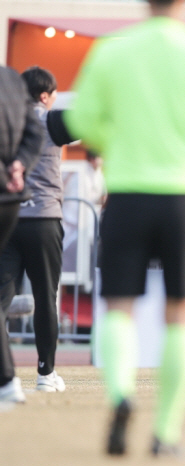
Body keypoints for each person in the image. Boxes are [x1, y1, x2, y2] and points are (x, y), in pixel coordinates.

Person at [65, 0, 185, 456]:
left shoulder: (111, 51)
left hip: (125, 191)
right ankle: (165, 431)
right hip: (184, 193)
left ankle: (121, 395)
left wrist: (122, 142)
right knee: (176, 314)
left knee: (119, 308)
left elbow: (81, 121)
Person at [1, 66, 73, 395]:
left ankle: (5, 377)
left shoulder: (7, 118)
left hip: (8, 217)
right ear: (45, 96)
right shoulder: (49, 119)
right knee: (46, 298)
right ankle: (46, 373)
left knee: (1, 301)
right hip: (44, 218)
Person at [0, 65, 44, 404]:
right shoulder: (12, 81)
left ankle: (6, 380)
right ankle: (7, 381)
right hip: (10, 198)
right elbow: (34, 131)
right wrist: (20, 163)